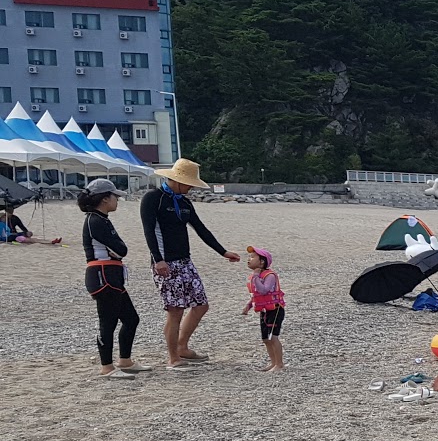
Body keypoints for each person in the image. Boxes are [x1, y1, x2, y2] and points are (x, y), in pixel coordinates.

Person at [140, 158, 240, 371]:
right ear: (176, 180)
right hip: (165, 262)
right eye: (189, 184)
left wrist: (223, 252)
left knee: (201, 305)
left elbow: (200, 229)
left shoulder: (185, 203)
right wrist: (158, 259)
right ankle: (173, 358)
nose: (191, 188)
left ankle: (182, 346)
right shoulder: (153, 198)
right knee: (175, 310)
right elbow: (149, 231)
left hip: (185, 261)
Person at [79, 178, 145, 378]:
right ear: (105, 198)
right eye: (115, 196)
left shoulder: (102, 219)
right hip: (103, 275)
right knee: (107, 323)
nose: (117, 200)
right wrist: (118, 250)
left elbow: (120, 250)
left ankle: (125, 360)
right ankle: (106, 366)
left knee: (131, 319)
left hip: (112, 275)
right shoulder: (95, 221)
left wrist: (118, 250)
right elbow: (121, 248)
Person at [240, 245, 286, 372]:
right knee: (265, 339)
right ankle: (273, 362)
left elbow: (264, 290)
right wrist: (248, 306)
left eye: (252, 257)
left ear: (262, 262)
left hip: (275, 310)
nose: (249, 259)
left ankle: (279, 364)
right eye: (249, 257)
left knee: (273, 337)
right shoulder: (255, 276)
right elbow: (256, 295)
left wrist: (255, 277)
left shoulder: (269, 276)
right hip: (264, 310)